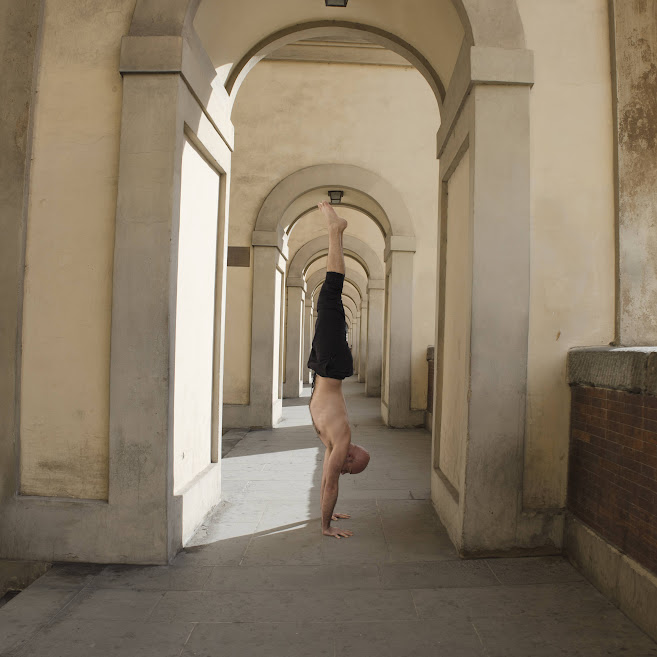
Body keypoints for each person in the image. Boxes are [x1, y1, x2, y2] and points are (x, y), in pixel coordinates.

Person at [308, 201, 370, 539]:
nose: (344, 470)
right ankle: (335, 231)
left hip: (326, 366)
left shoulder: (336, 447)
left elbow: (326, 483)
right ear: (351, 457)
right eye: (351, 466)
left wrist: (327, 518)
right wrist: (326, 525)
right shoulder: (340, 444)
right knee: (330, 296)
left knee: (328, 300)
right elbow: (331, 483)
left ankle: (337, 231)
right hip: (330, 366)